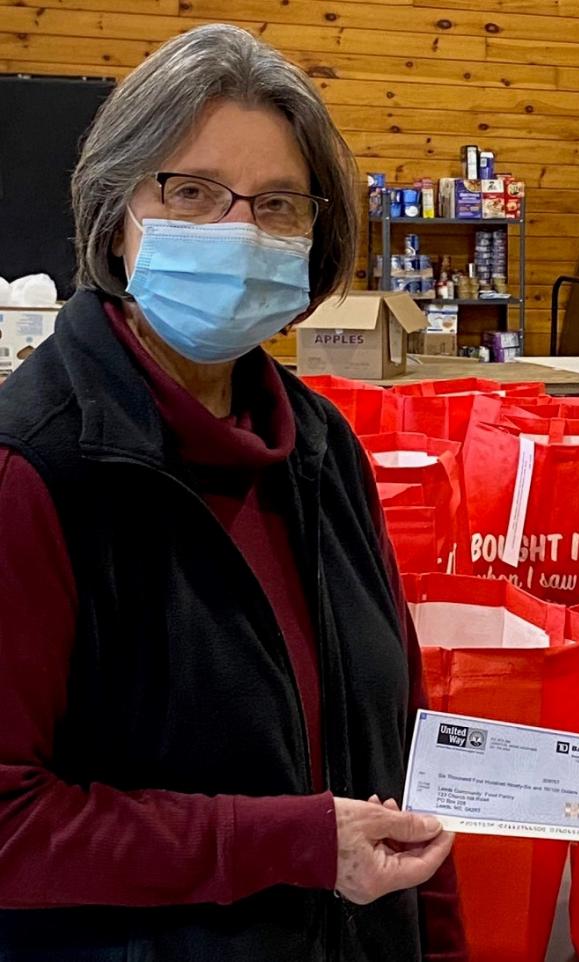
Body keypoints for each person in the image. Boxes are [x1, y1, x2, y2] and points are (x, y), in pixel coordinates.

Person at [0, 23, 467, 962]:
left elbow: (403, 741)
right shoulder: (35, 470)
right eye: (193, 192)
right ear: (116, 214)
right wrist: (293, 845)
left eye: (279, 205)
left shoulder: (321, 448)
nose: (239, 232)